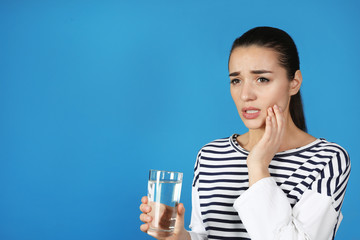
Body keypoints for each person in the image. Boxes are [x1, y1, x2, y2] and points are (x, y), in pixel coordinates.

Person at [139, 26, 351, 240]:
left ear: (294, 83)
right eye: (236, 81)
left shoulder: (327, 160)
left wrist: (258, 166)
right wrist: (180, 237)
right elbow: (204, 235)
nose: (245, 95)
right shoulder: (210, 155)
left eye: (262, 79)